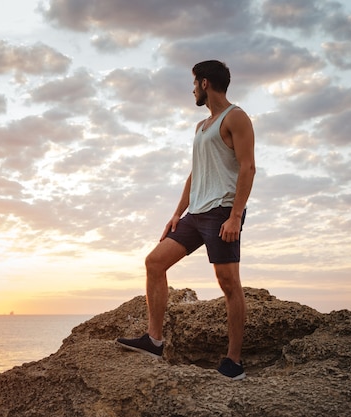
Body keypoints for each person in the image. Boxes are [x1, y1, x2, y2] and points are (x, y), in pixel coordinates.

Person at [116, 60, 256, 380]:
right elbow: (196, 173)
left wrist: (235, 216)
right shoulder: (201, 127)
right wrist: (177, 213)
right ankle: (154, 340)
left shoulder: (237, 117)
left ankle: (233, 361)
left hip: (222, 211)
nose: (192, 89)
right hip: (196, 213)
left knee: (229, 284)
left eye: (194, 83)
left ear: (205, 83)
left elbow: (248, 167)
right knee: (154, 262)